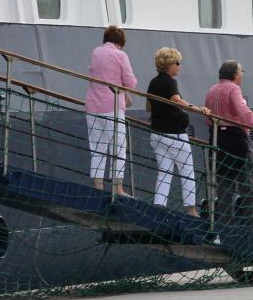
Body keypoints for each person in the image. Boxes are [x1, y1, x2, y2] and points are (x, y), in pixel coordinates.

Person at [204, 60, 253, 228]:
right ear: (235, 74)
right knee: (248, 186)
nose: (242, 74)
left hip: (217, 141)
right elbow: (243, 111)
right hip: (236, 141)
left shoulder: (212, 90)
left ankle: (224, 230)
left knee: (224, 189)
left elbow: (207, 118)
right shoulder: (234, 89)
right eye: (241, 71)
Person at [146, 47, 210, 217]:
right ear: (169, 65)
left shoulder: (153, 82)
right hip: (174, 134)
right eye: (177, 63)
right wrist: (196, 109)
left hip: (157, 134)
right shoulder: (170, 82)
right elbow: (176, 99)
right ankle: (191, 210)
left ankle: (158, 207)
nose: (179, 66)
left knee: (165, 171)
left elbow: (148, 106)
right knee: (187, 171)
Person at [84, 25, 137, 195]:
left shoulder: (95, 52)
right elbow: (130, 82)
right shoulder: (120, 55)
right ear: (120, 42)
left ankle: (98, 187)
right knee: (118, 148)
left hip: (92, 106)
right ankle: (117, 188)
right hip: (112, 107)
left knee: (97, 147)